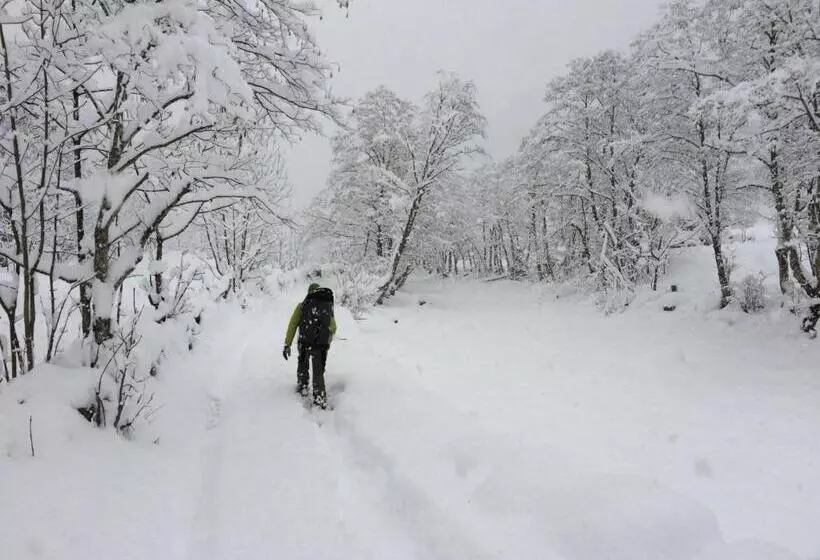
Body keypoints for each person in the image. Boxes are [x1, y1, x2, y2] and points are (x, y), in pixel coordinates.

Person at [283, 283, 337, 408]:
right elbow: (333, 327)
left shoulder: (302, 306)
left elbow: (292, 325)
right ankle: (319, 398)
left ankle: (303, 386)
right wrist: (325, 340)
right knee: (318, 373)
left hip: (304, 343)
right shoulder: (326, 307)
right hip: (320, 346)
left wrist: (287, 344)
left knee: (303, 365)